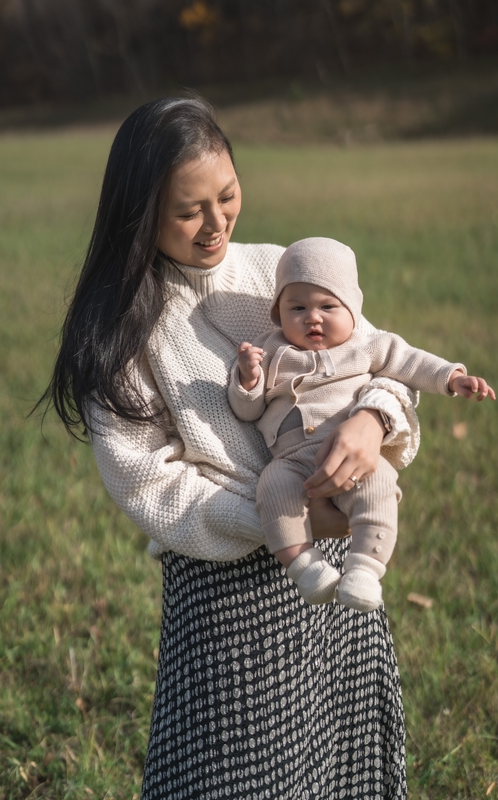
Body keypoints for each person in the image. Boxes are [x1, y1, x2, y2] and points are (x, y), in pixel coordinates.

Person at [43, 96, 425, 798]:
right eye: (190, 210)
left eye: (226, 195)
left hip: (336, 572)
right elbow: (150, 485)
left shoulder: (280, 271)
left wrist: (373, 419)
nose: (216, 223)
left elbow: (381, 366)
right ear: (141, 215)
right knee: (230, 777)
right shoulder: (120, 335)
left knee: (338, 764)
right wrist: (281, 519)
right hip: (225, 593)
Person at [228, 237, 495, 612]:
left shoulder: (366, 345)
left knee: (380, 485)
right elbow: (247, 411)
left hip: (353, 456)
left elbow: (412, 363)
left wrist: (451, 377)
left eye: (327, 306)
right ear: (279, 312)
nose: (313, 317)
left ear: (352, 309)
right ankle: (305, 566)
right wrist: (248, 380)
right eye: (297, 307)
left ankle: (365, 569)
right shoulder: (269, 350)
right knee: (272, 490)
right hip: (290, 461)